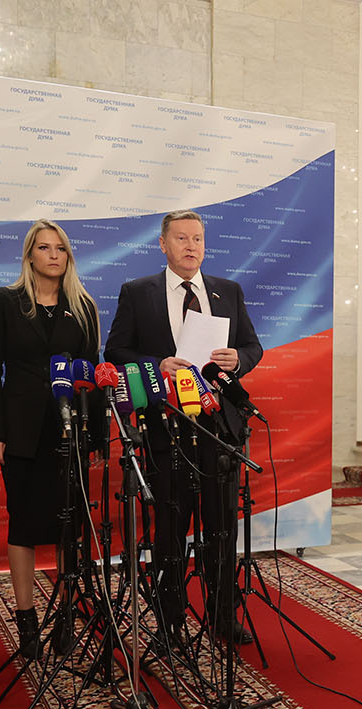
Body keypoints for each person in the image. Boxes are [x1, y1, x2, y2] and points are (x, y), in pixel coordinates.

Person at [105, 209, 264, 643]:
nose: (191, 246)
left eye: (198, 239)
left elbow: (252, 346)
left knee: (221, 528)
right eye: (181, 238)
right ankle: (170, 621)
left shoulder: (228, 291)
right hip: (166, 428)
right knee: (171, 530)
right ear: (163, 244)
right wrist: (157, 364)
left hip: (219, 430)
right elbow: (115, 350)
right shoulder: (138, 292)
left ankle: (222, 614)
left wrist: (239, 359)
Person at [0, 219, 102, 659]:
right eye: (45, 248)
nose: (54, 255)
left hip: (69, 432)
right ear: (29, 255)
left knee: (69, 526)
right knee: (24, 524)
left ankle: (66, 615)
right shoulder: (5, 301)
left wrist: (96, 436)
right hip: (21, 431)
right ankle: (27, 618)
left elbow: (93, 374)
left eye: (61, 248)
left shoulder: (83, 306)